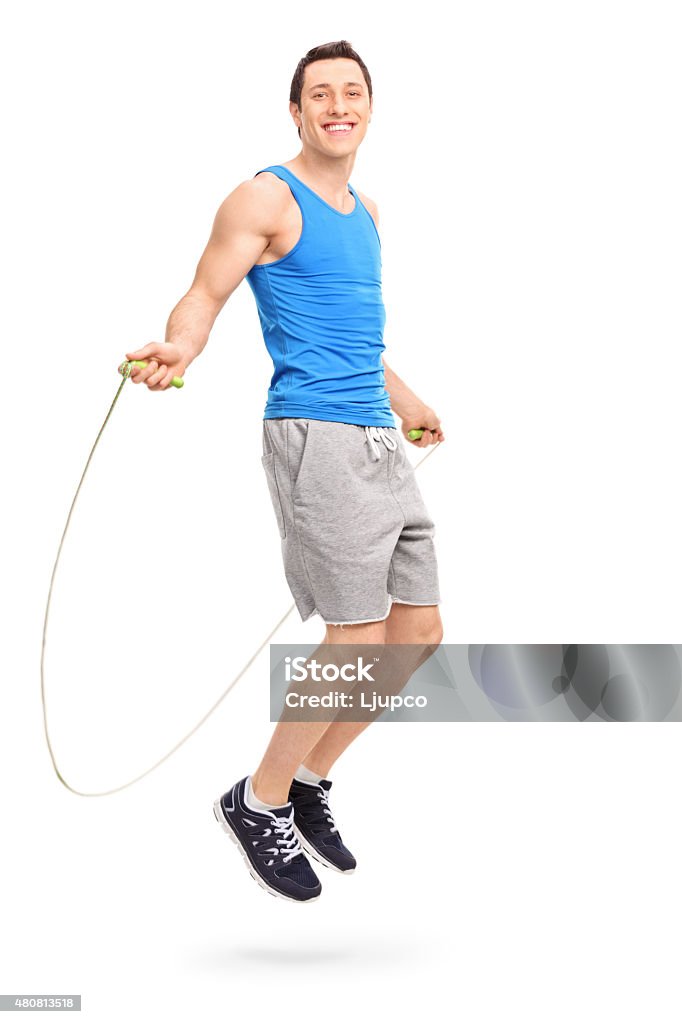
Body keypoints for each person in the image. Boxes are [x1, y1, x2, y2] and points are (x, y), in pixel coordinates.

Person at [123, 40, 445, 904]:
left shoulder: (367, 210)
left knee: (415, 635)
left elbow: (355, 339)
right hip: (316, 440)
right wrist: (180, 345)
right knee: (354, 637)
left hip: (376, 438)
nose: (338, 105)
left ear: (368, 110)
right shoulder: (266, 196)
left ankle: (307, 782)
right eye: (320, 94)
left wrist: (407, 401)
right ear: (296, 113)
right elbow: (206, 293)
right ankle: (257, 801)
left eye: (353, 92)